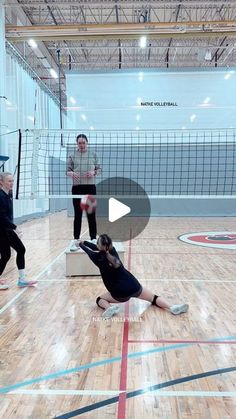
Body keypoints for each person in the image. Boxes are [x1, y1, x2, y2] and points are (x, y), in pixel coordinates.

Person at [79, 234, 189, 319]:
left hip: (119, 294)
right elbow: (100, 249)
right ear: (110, 245)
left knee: (100, 299)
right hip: (133, 285)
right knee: (153, 298)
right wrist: (86, 242)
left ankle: (109, 308)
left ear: (99, 246)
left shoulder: (95, 257)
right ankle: (172, 307)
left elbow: (90, 250)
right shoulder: (112, 251)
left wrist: (81, 244)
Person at [0, 172, 37, 290]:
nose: (11, 183)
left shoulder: (7, 194)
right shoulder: (0, 196)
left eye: (12, 181)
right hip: (2, 230)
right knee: (7, 255)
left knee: (19, 250)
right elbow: (1, 217)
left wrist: (12, 227)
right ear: (1, 182)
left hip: (7, 229)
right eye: (9, 181)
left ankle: (22, 280)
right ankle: (21, 280)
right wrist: (15, 228)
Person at [67, 133, 101, 252]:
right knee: (78, 215)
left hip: (90, 187)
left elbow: (99, 169)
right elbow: (67, 170)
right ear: (77, 143)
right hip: (77, 188)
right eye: (79, 143)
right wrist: (70, 173)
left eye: (83, 143)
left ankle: (93, 239)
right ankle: (76, 239)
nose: (81, 145)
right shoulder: (72, 155)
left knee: (91, 214)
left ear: (87, 143)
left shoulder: (93, 154)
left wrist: (94, 173)